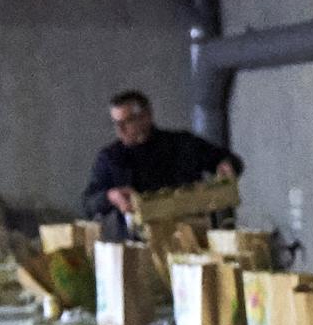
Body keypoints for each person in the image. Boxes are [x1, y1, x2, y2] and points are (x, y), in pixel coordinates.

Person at [82, 89, 241, 227]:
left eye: (127, 121)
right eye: (116, 123)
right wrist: (110, 196)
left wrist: (227, 166)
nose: (120, 130)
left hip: (191, 233)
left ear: (146, 116)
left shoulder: (183, 144)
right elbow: (88, 203)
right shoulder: (111, 157)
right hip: (139, 243)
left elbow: (229, 160)